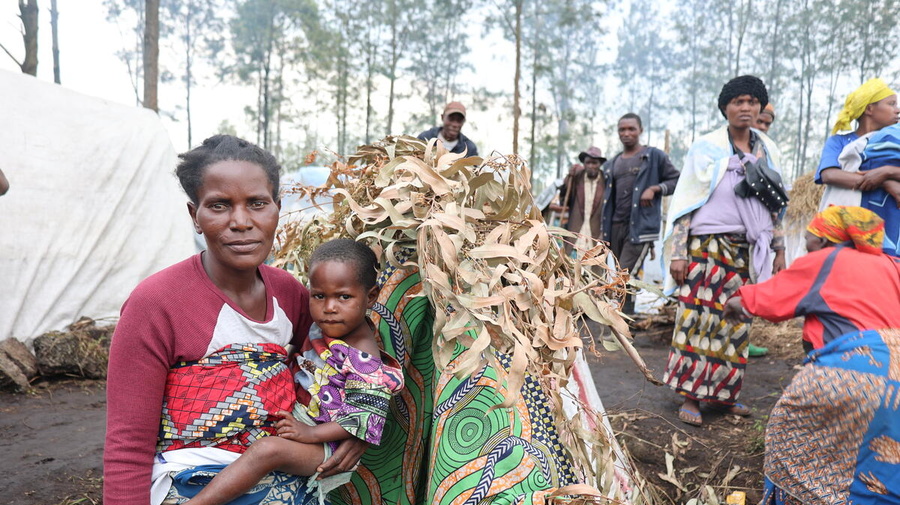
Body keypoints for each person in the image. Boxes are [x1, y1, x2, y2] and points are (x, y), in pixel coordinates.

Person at [103, 135, 367, 505]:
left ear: (277, 207)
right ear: (194, 215)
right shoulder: (156, 303)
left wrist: (356, 426)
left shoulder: (291, 294)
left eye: (257, 203)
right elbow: (128, 445)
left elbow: (342, 364)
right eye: (219, 205)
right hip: (192, 487)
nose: (241, 222)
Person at [182, 239, 404, 505]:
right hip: (302, 424)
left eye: (344, 297)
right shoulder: (323, 328)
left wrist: (309, 434)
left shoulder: (364, 360)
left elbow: (363, 419)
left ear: (370, 297)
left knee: (267, 451)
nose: (329, 307)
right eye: (319, 296)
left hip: (327, 447)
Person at [721, 207, 900, 505]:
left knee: (788, 443)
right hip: (897, 378)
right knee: (878, 460)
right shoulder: (891, 265)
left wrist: (736, 302)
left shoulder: (826, 260)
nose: (806, 246)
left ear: (828, 241)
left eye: (809, 239)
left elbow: (770, 299)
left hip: (853, 368)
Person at [661, 75, 788, 427]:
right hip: (706, 247)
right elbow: (686, 202)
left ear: (760, 107)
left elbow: (775, 205)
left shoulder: (768, 150)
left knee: (736, 321)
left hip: (747, 248)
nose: (745, 107)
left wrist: (779, 250)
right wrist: (678, 252)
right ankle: (691, 396)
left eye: (751, 101)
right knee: (698, 319)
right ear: (725, 108)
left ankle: (725, 395)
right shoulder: (706, 148)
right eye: (737, 102)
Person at [601, 113, 680, 314]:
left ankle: (622, 321)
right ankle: (626, 321)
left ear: (640, 130)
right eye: (622, 129)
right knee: (623, 275)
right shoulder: (612, 164)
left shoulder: (653, 156)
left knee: (624, 274)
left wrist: (655, 189)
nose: (626, 133)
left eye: (631, 129)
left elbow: (677, 180)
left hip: (640, 227)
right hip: (615, 227)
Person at [816, 78, 900, 207]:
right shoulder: (839, 142)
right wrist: (884, 183)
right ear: (869, 109)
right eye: (891, 104)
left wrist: (887, 171)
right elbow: (829, 175)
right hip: (849, 218)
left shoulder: (894, 142)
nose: (897, 110)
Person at [552, 147, 607, 255]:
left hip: (596, 234)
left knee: (594, 265)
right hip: (575, 233)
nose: (591, 166)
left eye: (594, 163)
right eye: (588, 163)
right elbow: (563, 199)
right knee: (570, 266)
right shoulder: (576, 178)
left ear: (600, 164)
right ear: (584, 164)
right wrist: (569, 176)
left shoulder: (606, 180)